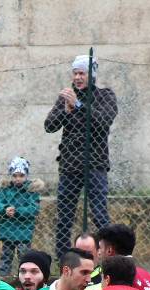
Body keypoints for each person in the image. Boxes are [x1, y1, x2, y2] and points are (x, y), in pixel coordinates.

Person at [45, 55, 117, 258]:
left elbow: (103, 121)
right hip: (69, 164)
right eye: (75, 73)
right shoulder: (66, 97)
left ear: (91, 74)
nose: (77, 77)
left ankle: (109, 258)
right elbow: (49, 126)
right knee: (64, 216)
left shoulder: (105, 96)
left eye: (81, 73)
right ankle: (62, 260)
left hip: (95, 163)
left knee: (99, 213)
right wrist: (65, 112)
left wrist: (79, 106)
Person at [0, 157, 44, 276]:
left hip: (23, 231)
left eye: (21, 175)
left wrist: (17, 211)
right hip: (8, 230)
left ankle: (24, 277)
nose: (18, 179)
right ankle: (3, 278)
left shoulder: (31, 190)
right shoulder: (5, 189)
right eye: (15, 175)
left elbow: (33, 209)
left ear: (26, 175)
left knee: (24, 257)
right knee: (6, 256)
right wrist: (5, 209)